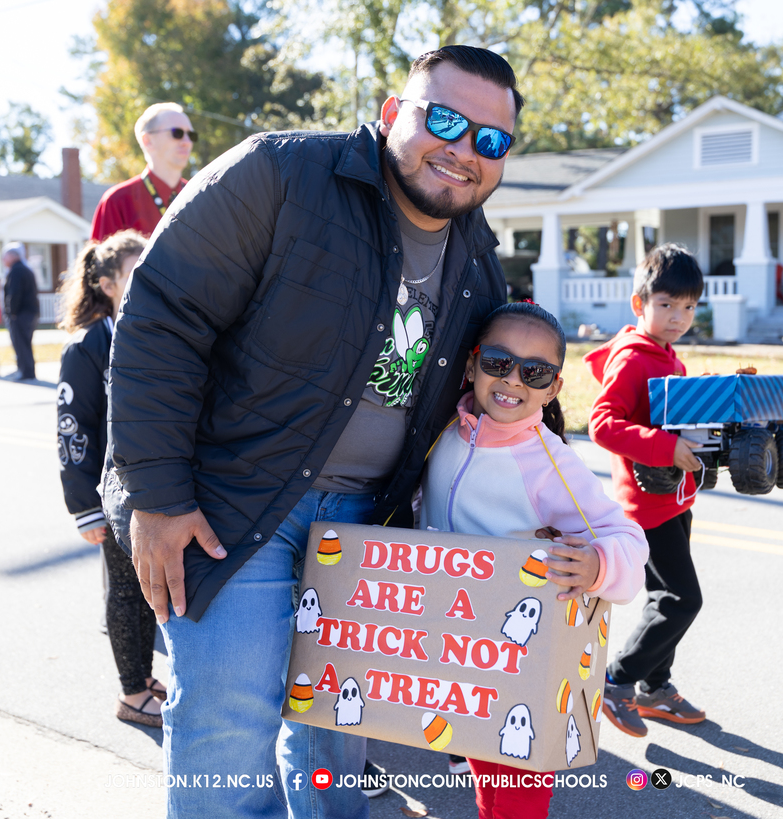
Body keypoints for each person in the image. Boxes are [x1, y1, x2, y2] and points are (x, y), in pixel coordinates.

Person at [102, 45, 521, 819]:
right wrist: (156, 495)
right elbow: (159, 320)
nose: (464, 150)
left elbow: (503, 402)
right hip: (231, 509)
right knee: (228, 740)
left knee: (336, 744)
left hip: (368, 528)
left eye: (490, 140)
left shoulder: (478, 260)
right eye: (447, 120)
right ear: (395, 114)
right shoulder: (280, 176)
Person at [418, 301, 648, 819]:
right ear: (472, 364)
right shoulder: (442, 432)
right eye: (499, 362)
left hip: (525, 659)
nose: (513, 380)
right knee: (483, 764)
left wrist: (598, 565)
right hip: (458, 647)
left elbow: (629, 540)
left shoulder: (549, 463)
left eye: (535, 371)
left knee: (520, 793)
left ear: (553, 388)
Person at [585, 243, 707, 738]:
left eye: (689, 307)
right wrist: (664, 447)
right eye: (667, 304)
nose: (678, 316)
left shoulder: (666, 356)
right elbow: (601, 423)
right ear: (640, 305)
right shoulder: (635, 360)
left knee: (664, 598)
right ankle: (616, 681)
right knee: (682, 599)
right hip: (647, 503)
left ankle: (656, 687)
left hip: (675, 499)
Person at [56, 230, 168, 727]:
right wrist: (85, 507)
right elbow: (71, 432)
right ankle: (131, 693)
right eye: (134, 272)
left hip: (151, 493)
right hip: (110, 497)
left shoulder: (153, 332)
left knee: (150, 592)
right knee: (126, 592)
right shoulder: (87, 347)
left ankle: (145, 678)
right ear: (105, 285)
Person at [90, 102, 196, 241]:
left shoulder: (199, 196)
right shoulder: (117, 202)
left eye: (191, 135)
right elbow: (102, 262)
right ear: (147, 141)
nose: (187, 142)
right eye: (177, 133)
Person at [1, 242, 39, 381]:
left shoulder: (17, 270)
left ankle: (26, 372)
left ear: (13, 256)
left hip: (22, 314)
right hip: (28, 313)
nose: (3, 259)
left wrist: (12, 312)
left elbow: (15, 293)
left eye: (5, 256)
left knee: (21, 343)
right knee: (24, 343)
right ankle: (24, 369)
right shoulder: (24, 269)